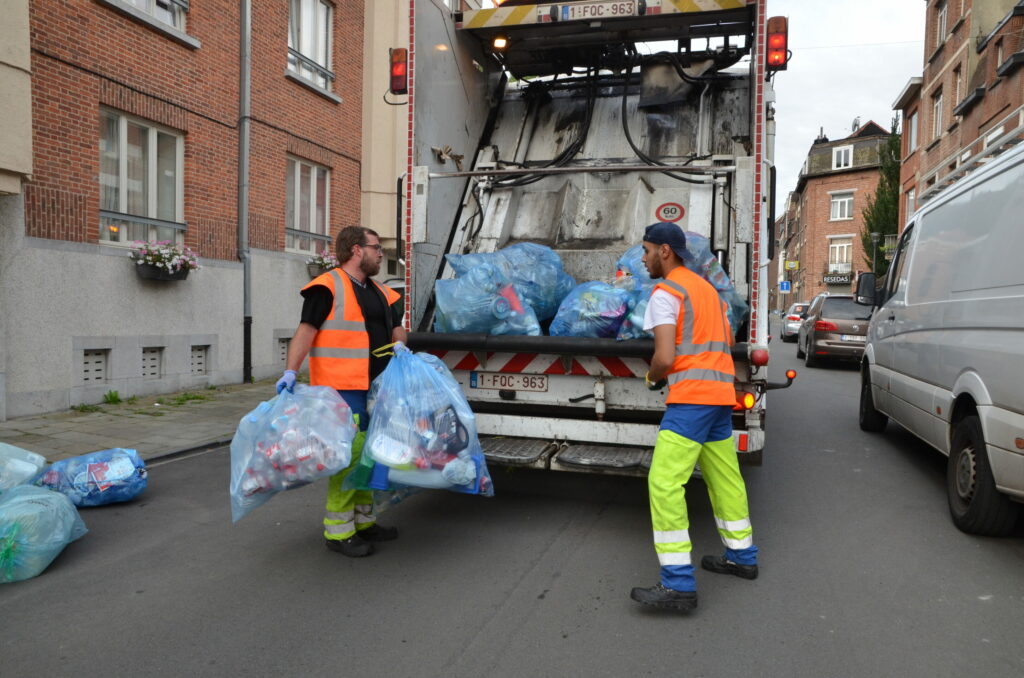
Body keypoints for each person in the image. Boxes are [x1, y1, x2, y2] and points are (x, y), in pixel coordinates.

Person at [629, 222, 758, 613]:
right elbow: (728, 345)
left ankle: (678, 584)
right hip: (720, 397)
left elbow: (665, 358)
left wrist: (652, 378)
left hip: (691, 401)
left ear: (665, 251)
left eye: (647, 250)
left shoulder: (666, 292)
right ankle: (742, 557)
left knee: (665, 483)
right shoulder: (709, 292)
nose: (643, 258)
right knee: (725, 478)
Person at [276, 226, 407, 557]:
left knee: (372, 455)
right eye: (377, 248)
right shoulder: (327, 287)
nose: (381, 254)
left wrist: (401, 345)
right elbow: (306, 331)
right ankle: (338, 533)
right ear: (356, 250)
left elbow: (395, 326)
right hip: (342, 388)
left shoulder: (380, 291)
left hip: (377, 386)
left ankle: (363, 521)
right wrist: (291, 370)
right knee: (349, 458)